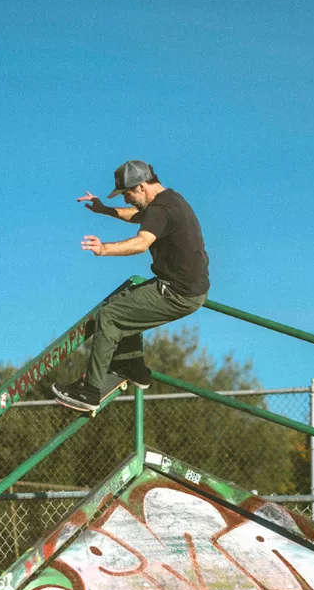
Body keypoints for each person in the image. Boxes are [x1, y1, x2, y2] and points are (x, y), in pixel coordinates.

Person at [52, 160, 210, 411]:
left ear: (142, 186)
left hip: (177, 293)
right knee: (123, 300)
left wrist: (105, 249)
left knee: (109, 316)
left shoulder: (161, 209)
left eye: (127, 194)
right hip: (186, 287)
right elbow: (138, 216)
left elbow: (141, 243)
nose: (126, 201)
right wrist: (104, 209)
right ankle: (133, 366)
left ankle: (89, 392)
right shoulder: (170, 200)